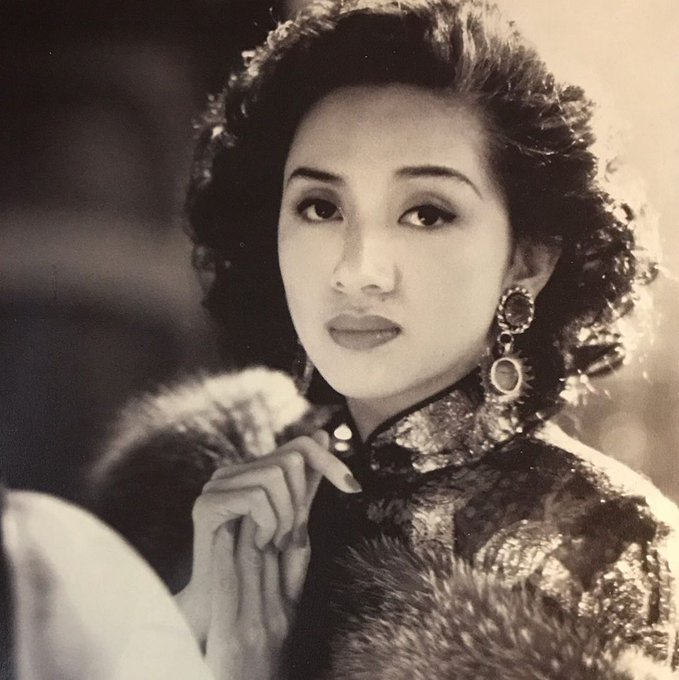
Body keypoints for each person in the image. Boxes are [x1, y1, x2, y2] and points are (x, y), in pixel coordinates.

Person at [88, 1, 679, 678]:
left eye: (425, 213)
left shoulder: (604, 543)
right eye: (320, 207)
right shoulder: (208, 494)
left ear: (528, 261)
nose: (356, 270)